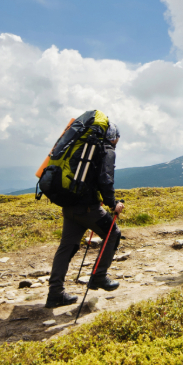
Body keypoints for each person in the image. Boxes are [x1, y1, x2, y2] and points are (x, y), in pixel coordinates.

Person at [45, 122, 125, 308]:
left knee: (66, 247)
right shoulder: (106, 149)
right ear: (114, 136)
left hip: (69, 205)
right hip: (88, 208)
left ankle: (55, 293)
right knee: (113, 233)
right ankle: (98, 276)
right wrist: (113, 204)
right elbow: (106, 179)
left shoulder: (82, 147)